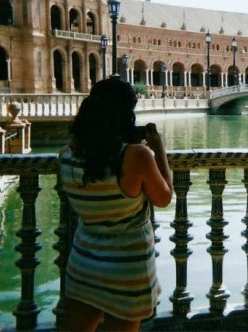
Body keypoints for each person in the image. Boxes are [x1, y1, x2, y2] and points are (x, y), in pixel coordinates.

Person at [58, 77, 172, 332]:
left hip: (84, 263)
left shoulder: (66, 154)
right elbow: (164, 198)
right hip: (127, 269)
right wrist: (159, 150)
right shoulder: (135, 156)